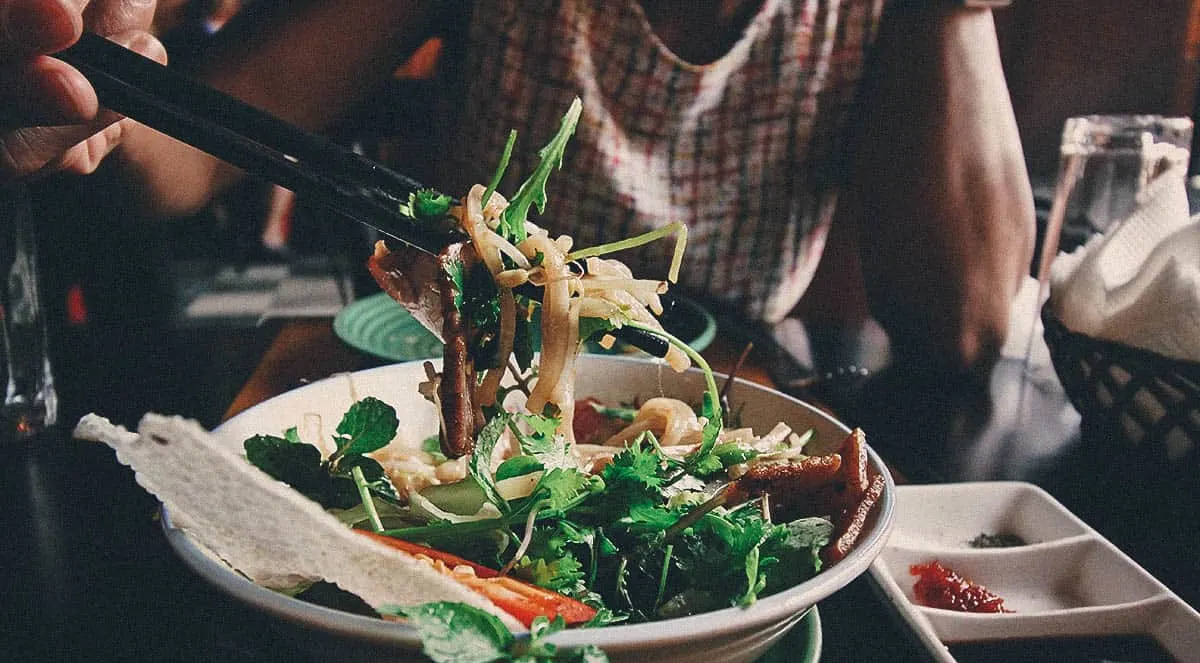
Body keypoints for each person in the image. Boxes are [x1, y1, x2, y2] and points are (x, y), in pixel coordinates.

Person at [0, 0, 1035, 375]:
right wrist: (95, 102)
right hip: (469, 395)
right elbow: (208, 139)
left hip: (718, 422)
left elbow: (968, 326)